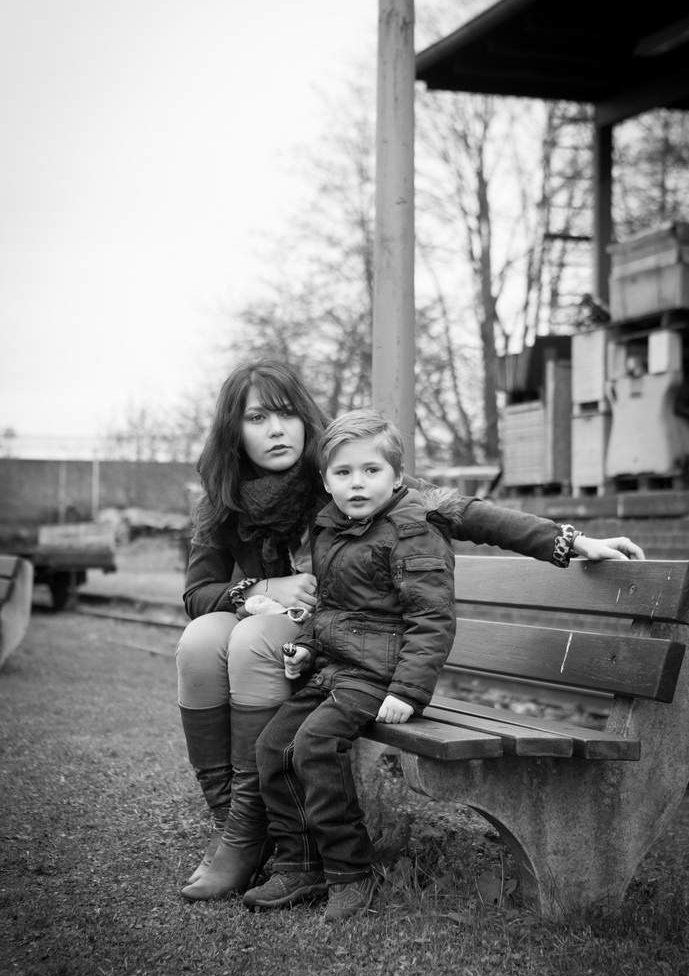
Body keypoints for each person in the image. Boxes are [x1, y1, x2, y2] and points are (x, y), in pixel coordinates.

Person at [177, 357, 645, 903]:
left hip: (341, 646)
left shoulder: (342, 469)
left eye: (284, 414)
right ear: (234, 429)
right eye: (257, 418)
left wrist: (568, 541)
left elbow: (460, 510)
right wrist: (261, 589)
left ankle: (253, 827)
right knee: (200, 639)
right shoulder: (224, 498)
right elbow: (196, 595)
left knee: (247, 640)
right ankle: (232, 822)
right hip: (305, 637)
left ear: (305, 420)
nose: (275, 429)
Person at [242, 409, 459, 921]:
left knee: (316, 745)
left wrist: (408, 691)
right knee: (272, 746)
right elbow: (333, 611)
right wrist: (309, 650)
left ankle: (350, 871)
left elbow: (432, 619)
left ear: (397, 477)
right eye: (343, 473)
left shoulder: (413, 532)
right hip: (334, 670)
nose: (356, 483)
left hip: (380, 676)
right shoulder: (331, 532)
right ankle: (299, 864)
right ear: (326, 482)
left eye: (370, 471)